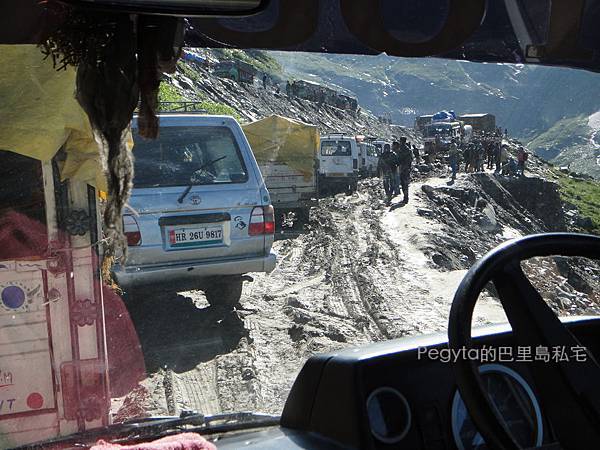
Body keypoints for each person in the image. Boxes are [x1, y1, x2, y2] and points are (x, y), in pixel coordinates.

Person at [394, 137, 413, 203]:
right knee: (405, 183)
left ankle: (405, 198)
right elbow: (411, 160)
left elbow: (398, 159)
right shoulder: (409, 150)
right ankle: (406, 197)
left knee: (403, 183)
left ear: (401, 141)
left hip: (402, 168)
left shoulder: (400, 150)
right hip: (407, 169)